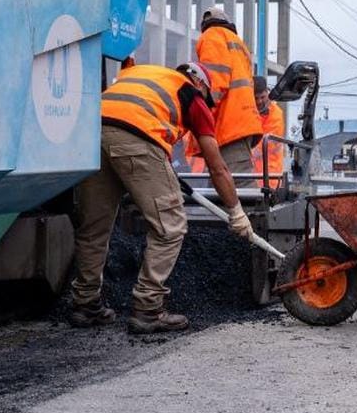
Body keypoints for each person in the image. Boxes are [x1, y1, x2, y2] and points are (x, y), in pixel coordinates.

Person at [72, 61, 256, 334]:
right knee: (170, 226)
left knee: (94, 227)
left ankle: (84, 304)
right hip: (137, 138)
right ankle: (148, 308)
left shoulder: (143, 75)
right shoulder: (192, 95)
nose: (206, 104)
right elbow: (218, 167)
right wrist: (236, 211)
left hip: (90, 136)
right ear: (202, 85)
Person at [195, 5, 263, 175]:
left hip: (228, 125)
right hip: (242, 123)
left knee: (236, 184)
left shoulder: (212, 37)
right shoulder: (239, 45)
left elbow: (214, 84)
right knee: (225, 182)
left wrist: (198, 116)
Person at [251, 76, 285, 189]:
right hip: (251, 178)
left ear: (267, 92)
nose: (259, 101)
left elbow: (263, 146)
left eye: (262, 97)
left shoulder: (276, 114)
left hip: (269, 178)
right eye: (256, 98)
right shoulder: (250, 110)